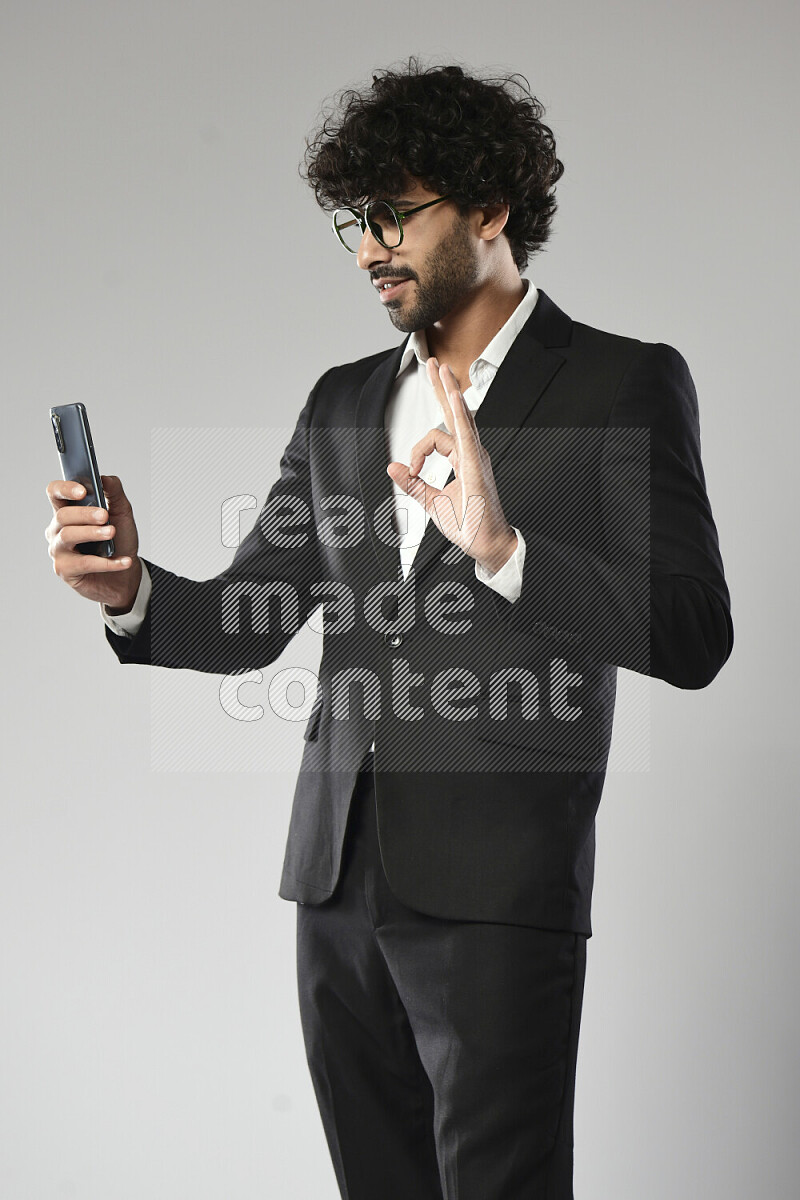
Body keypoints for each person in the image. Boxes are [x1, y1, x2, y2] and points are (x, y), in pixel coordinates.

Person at [45, 61, 733, 1200]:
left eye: (392, 216)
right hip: (335, 882)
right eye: (349, 222)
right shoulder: (342, 402)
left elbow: (693, 633)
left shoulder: (621, 384)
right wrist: (129, 588)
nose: (366, 247)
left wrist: (506, 551)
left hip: (497, 894)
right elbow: (246, 616)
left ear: (488, 207)